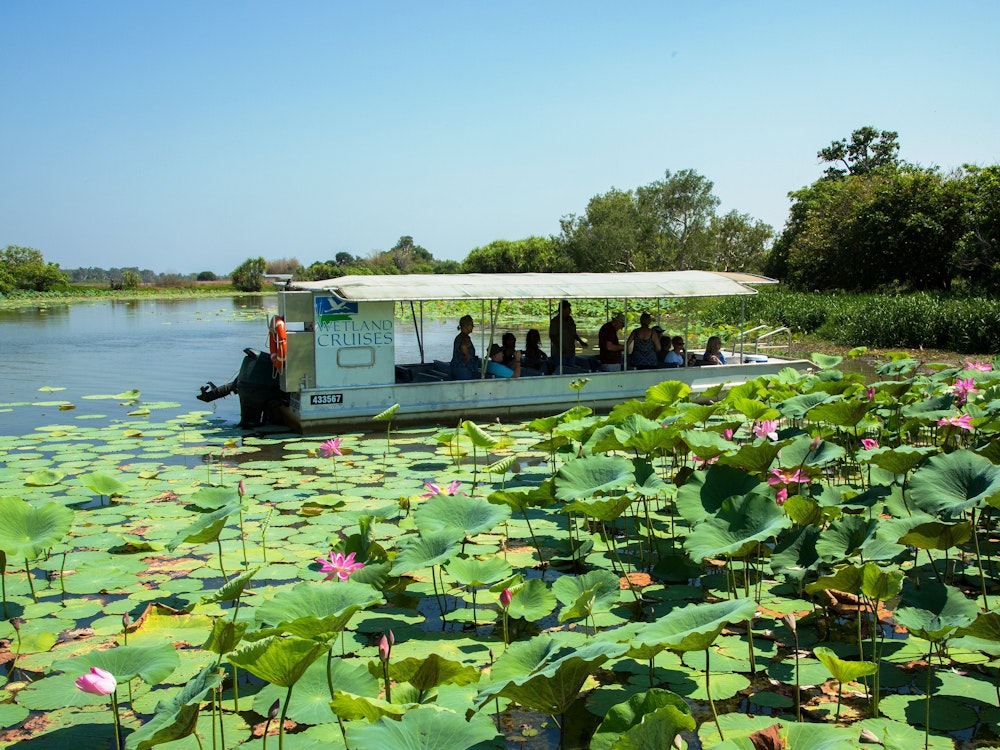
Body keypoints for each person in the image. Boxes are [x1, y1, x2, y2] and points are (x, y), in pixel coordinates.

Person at [548, 300, 587, 370]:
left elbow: (574, 333)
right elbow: (552, 336)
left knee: (570, 369)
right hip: (559, 354)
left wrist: (581, 342)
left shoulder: (570, 319)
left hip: (570, 352)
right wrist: (560, 348)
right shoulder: (555, 321)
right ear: (562, 310)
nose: (570, 311)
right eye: (568, 309)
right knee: (560, 370)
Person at [450, 315, 480, 379]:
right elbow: (463, 346)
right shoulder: (465, 337)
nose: (472, 327)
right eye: (471, 325)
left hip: (455, 368)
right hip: (464, 370)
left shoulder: (458, 337)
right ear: (467, 326)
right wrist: (467, 356)